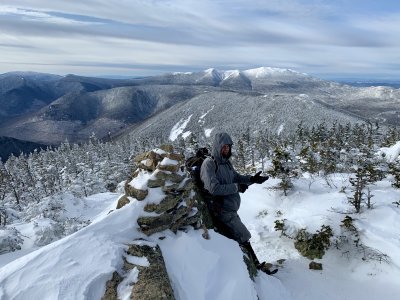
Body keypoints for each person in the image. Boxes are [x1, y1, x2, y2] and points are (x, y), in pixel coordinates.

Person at [200, 132, 277, 275]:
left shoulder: (226, 163)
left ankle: (250, 266)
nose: (226, 150)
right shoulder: (209, 164)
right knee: (243, 235)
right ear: (217, 147)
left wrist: (252, 179)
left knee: (239, 237)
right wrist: (237, 187)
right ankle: (255, 268)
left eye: (228, 147)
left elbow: (236, 177)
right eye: (223, 147)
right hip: (221, 209)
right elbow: (213, 188)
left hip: (230, 208)